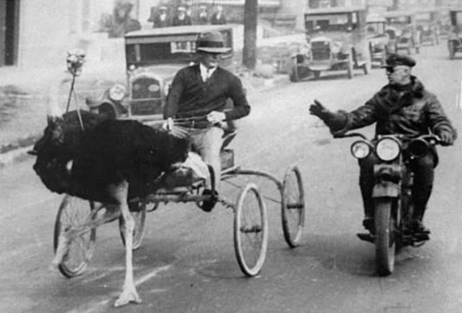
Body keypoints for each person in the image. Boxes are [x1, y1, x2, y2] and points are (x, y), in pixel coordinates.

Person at [309, 53, 457, 237]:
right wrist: (332, 118)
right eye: (387, 70)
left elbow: (439, 119)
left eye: (391, 70)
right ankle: (371, 215)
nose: (387, 73)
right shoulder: (381, 97)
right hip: (385, 146)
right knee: (367, 161)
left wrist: (444, 131)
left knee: (425, 165)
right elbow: (360, 115)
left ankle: (416, 219)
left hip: (414, 146)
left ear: (406, 71)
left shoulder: (427, 98)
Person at [163, 31, 251, 210]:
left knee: (211, 155)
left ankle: (211, 193)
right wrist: (169, 118)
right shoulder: (184, 75)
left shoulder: (230, 80)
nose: (216, 57)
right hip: (181, 127)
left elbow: (244, 108)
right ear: (200, 54)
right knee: (154, 145)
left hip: (207, 128)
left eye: (219, 53)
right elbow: (173, 97)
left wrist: (223, 116)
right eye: (211, 53)